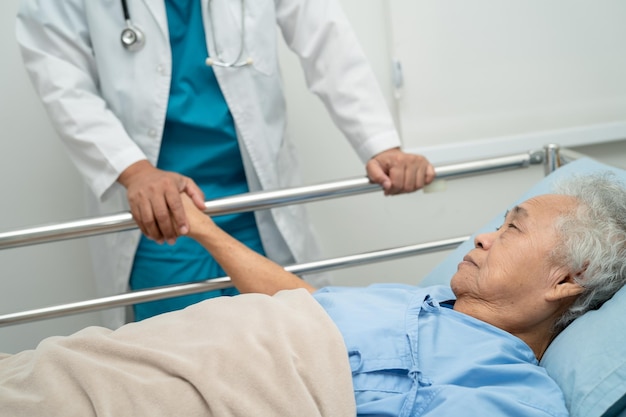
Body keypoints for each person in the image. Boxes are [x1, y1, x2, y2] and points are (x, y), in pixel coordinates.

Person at [1, 173, 624, 416]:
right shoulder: (419, 302)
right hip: (170, 352)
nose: (483, 236)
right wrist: (204, 229)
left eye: (511, 227)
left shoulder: (508, 392)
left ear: (565, 281)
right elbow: (298, 303)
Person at [15, 0, 435, 327]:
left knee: (292, 349)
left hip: (258, 203)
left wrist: (380, 144)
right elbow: (60, 78)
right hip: (163, 219)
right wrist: (134, 170)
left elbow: (328, 40)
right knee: (182, 367)